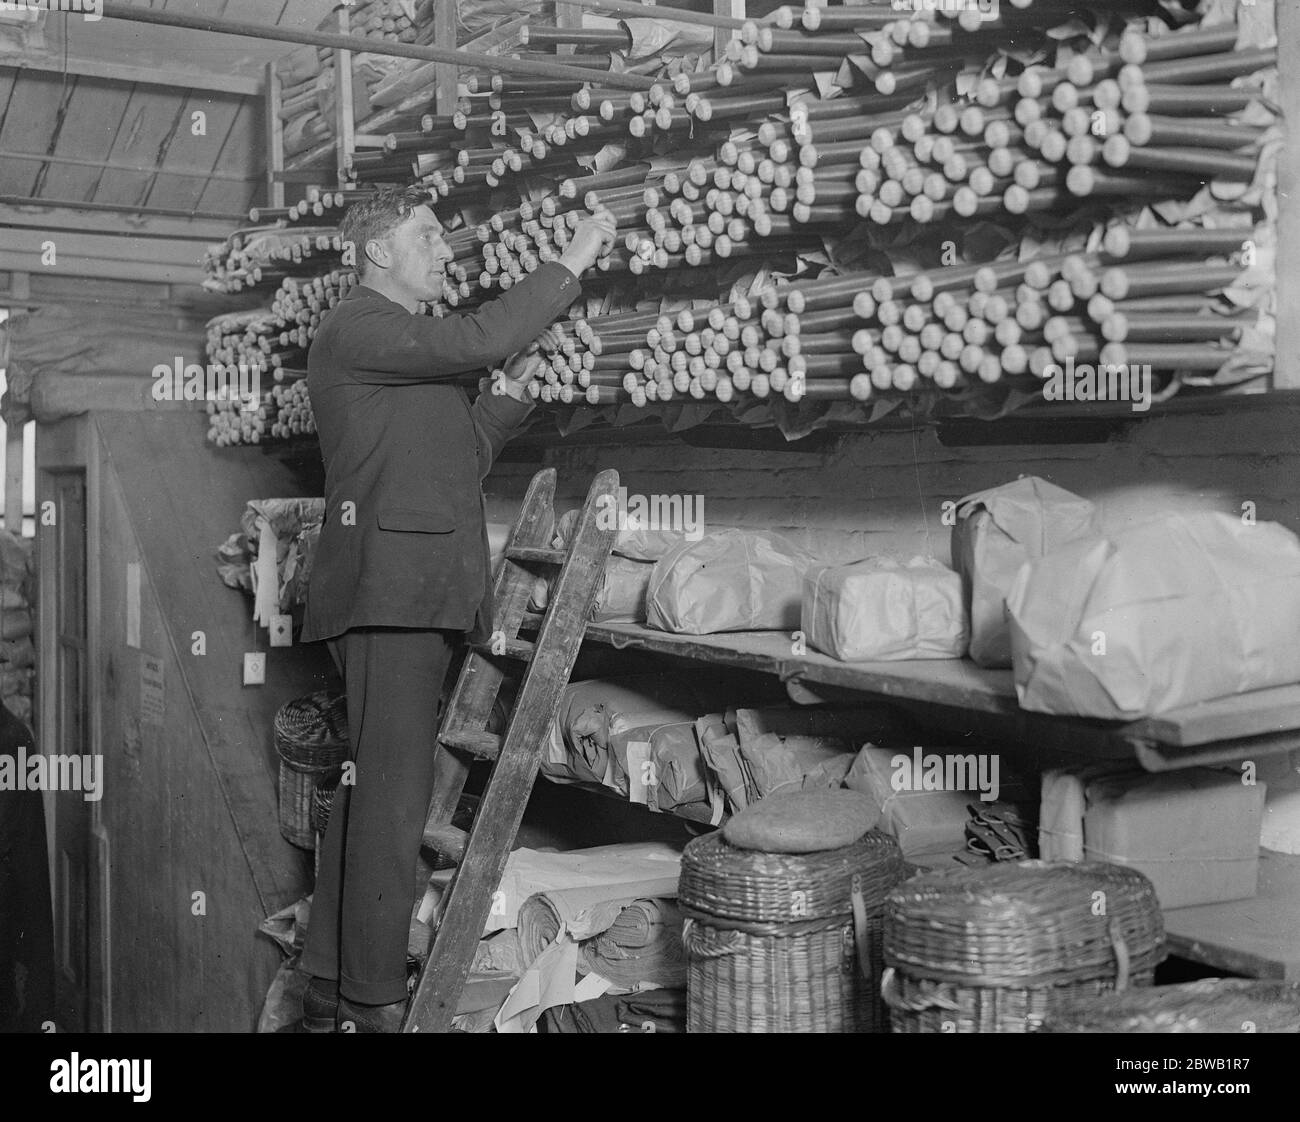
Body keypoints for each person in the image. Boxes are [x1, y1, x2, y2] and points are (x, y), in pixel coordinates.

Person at [295, 184, 615, 1032]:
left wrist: (505, 401)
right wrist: (570, 262)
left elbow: (454, 461)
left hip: (411, 590)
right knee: (395, 803)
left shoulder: (402, 351)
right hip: (388, 595)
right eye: (428, 237)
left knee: (375, 794)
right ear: (377, 255)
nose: (448, 252)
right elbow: (483, 333)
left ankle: (330, 978)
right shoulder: (359, 326)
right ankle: (373, 1000)